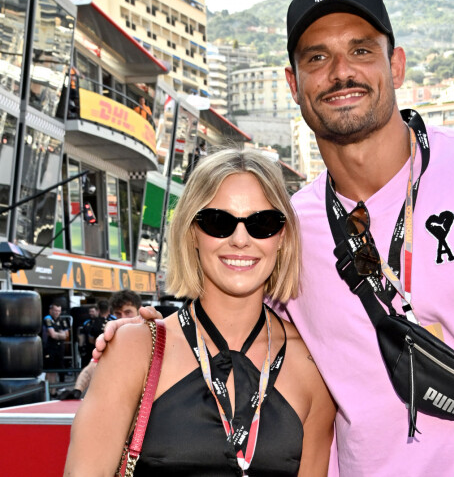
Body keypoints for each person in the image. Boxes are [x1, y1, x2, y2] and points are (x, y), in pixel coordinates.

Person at [97, 0, 454, 476]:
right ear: (294, 82)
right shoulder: (284, 229)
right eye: (317, 57)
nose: (340, 72)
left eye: (361, 51)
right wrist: (144, 336)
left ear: (396, 63)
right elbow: (236, 326)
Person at [65, 149, 335, 476]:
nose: (240, 240)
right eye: (218, 222)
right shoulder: (134, 349)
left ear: (282, 237)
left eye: (261, 223)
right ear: (192, 231)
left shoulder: (311, 366)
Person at [60, 291, 143, 400]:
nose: (123, 317)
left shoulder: (153, 335)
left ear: (140, 310)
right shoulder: (110, 338)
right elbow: (91, 369)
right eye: (118, 314)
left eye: (128, 312)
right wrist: (77, 390)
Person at [42, 301, 70, 390]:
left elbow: (67, 335)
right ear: (50, 310)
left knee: (61, 367)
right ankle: (50, 390)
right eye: (55, 311)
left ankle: (59, 388)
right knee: (51, 370)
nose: (57, 313)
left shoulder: (62, 320)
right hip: (49, 348)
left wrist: (59, 335)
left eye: (59, 311)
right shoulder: (47, 318)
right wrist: (61, 335)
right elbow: (52, 335)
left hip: (60, 348)